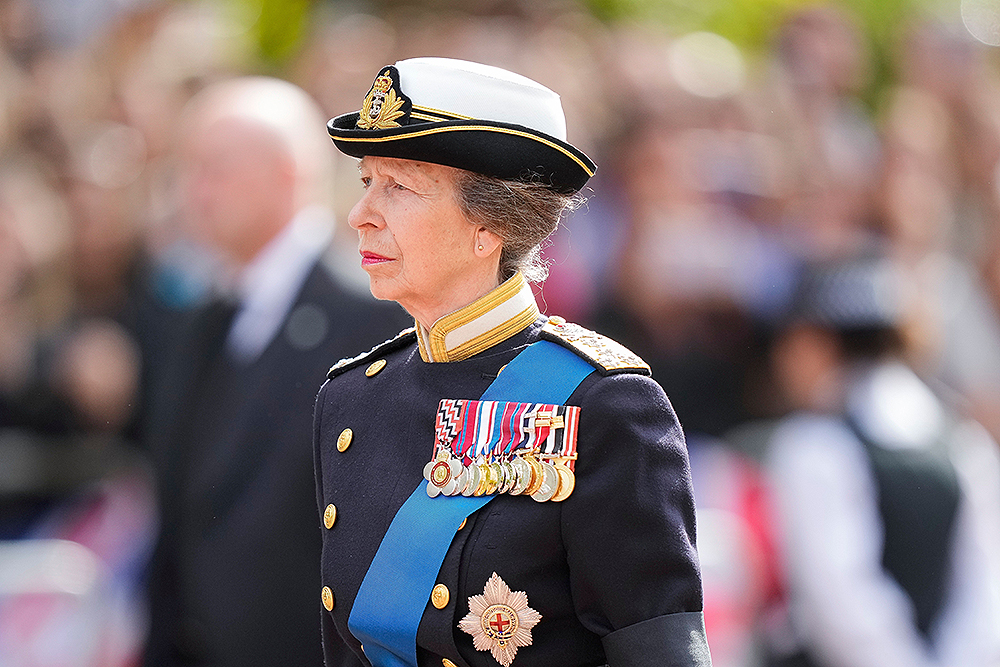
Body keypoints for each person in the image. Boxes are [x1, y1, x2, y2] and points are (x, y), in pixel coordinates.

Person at [313, 57, 711, 667]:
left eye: (399, 187)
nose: (361, 213)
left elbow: (658, 650)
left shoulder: (600, 402)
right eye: (368, 181)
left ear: (490, 224)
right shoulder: (352, 398)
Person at [141, 76, 410, 667]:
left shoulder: (368, 319)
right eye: (187, 171)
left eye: (216, 168)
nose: (195, 192)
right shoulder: (204, 319)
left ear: (288, 173)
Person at [763, 250, 1000, 667]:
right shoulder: (962, 440)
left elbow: (837, 602)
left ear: (817, 341)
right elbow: (985, 599)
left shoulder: (813, 444)